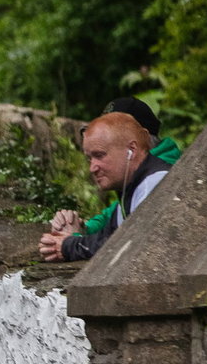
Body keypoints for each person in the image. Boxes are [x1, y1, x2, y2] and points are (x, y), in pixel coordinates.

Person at [39, 105, 174, 262]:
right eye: (90, 158)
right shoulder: (130, 188)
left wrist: (69, 246)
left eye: (99, 155)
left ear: (132, 150)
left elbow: (128, 244)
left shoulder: (154, 184)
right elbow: (107, 237)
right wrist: (72, 232)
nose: (92, 168)